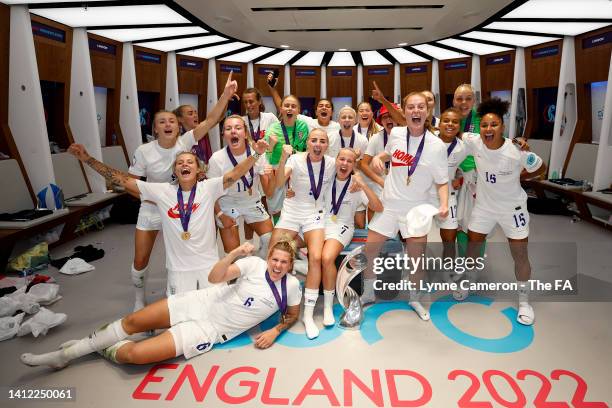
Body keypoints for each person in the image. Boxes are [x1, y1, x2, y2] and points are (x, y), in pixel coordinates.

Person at [20, 240, 301, 370]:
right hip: (200, 302)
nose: (277, 265)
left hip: (210, 331)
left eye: (283, 262)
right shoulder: (253, 264)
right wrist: (233, 254)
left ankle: (90, 345)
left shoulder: (291, 287)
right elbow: (215, 278)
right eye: (274, 259)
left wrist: (276, 331)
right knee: (132, 323)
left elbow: (292, 315)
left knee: (136, 356)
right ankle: (67, 355)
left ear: (290, 266)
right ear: (269, 259)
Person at [67, 134, 268, 296]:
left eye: (190, 162)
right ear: (175, 171)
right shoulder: (163, 192)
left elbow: (235, 173)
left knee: (212, 316)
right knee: (181, 320)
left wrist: (257, 155)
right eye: (180, 163)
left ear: (199, 170)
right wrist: (88, 159)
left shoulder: (209, 188)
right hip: (178, 271)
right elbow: (122, 180)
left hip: (208, 266)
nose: (185, 165)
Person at [127, 73, 238, 310]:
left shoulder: (185, 143)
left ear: (178, 126)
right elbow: (132, 182)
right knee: (140, 260)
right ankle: (138, 299)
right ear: (155, 128)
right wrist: (157, 199)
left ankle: (183, 288)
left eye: (171, 121)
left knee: (183, 251)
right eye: (161, 122)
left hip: (180, 207)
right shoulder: (143, 151)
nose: (168, 125)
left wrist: (226, 94)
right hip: (151, 208)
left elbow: (210, 120)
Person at [455, 98, 546, 326]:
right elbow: (447, 128)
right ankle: (469, 280)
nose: (488, 129)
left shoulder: (516, 149)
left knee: (520, 255)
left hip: (512, 209)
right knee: (473, 245)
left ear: (502, 127)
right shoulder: (473, 142)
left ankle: (524, 301)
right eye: (485, 125)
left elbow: (541, 169)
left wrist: (519, 176)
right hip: (485, 207)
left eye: (494, 124)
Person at [361, 92, 449, 321]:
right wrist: (380, 157)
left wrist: (445, 205)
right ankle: (369, 292)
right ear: (405, 112)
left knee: (415, 258)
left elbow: (442, 182)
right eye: (411, 107)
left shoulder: (436, 146)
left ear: (427, 112)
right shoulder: (398, 133)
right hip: (389, 204)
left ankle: (415, 298)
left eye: (421, 107)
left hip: (416, 209)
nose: (416, 111)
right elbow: (389, 153)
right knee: (370, 249)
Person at [271, 129, 336, 339]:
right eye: (314, 140)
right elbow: (279, 183)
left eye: (322, 141)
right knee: (274, 253)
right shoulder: (295, 159)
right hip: (291, 211)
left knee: (316, 257)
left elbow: (350, 170)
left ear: (327, 145)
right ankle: (275, 302)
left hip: (314, 214)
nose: (318, 144)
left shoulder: (333, 163)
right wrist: (282, 158)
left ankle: (308, 315)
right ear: (307, 142)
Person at [314, 148, 383, 335]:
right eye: (341, 159)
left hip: (341, 226)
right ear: (335, 160)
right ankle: (302, 267)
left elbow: (378, 207)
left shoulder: (356, 183)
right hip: (319, 222)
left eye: (349, 161)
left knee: (326, 258)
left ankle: (328, 307)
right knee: (285, 242)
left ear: (354, 165)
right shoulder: (326, 176)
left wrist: (364, 184)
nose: (344, 164)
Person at [208, 115, 275, 257]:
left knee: (270, 242)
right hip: (228, 204)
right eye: (228, 128)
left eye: (238, 128)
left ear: (245, 133)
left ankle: (258, 269)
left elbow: (269, 192)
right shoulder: (217, 159)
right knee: (234, 254)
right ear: (223, 135)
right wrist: (220, 214)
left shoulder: (260, 154)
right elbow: (210, 193)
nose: (233, 131)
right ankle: (237, 273)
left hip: (251, 202)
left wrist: (272, 174)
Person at [430, 108, 468, 270]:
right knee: (416, 238)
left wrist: (459, 177)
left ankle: (448, 271)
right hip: (424, 196)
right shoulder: (428, 141)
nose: (450, 124)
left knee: (449, 239)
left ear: (459, 126)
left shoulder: (463, 147)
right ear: (440, 124)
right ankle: (415, 272)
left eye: (455, 121)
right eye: (446, 120)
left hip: (448, 198)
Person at [264, 95, 310, 220]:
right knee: (277, 207)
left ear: (298, 110)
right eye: (286, 106)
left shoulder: (303, 127)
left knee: (297, 204)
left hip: (297, 169)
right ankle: (279, 233)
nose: (289, 109)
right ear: (281, 109)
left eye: (293, 106)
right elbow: (266, 153)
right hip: (278, 168)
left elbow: (306, 149)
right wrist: (271, 146)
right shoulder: (273, 129)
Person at [453, 84, 480, 233]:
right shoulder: (449, 119)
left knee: (473, 225)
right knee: (455, 225)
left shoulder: (482, 119)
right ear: (454, 101)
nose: (464, 102)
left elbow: (497, 142)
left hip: (473, 178)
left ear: (474, 100)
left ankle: (474, 257)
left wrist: (518, 141)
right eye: (459, 98)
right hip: (452, 179)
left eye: (468, 99)